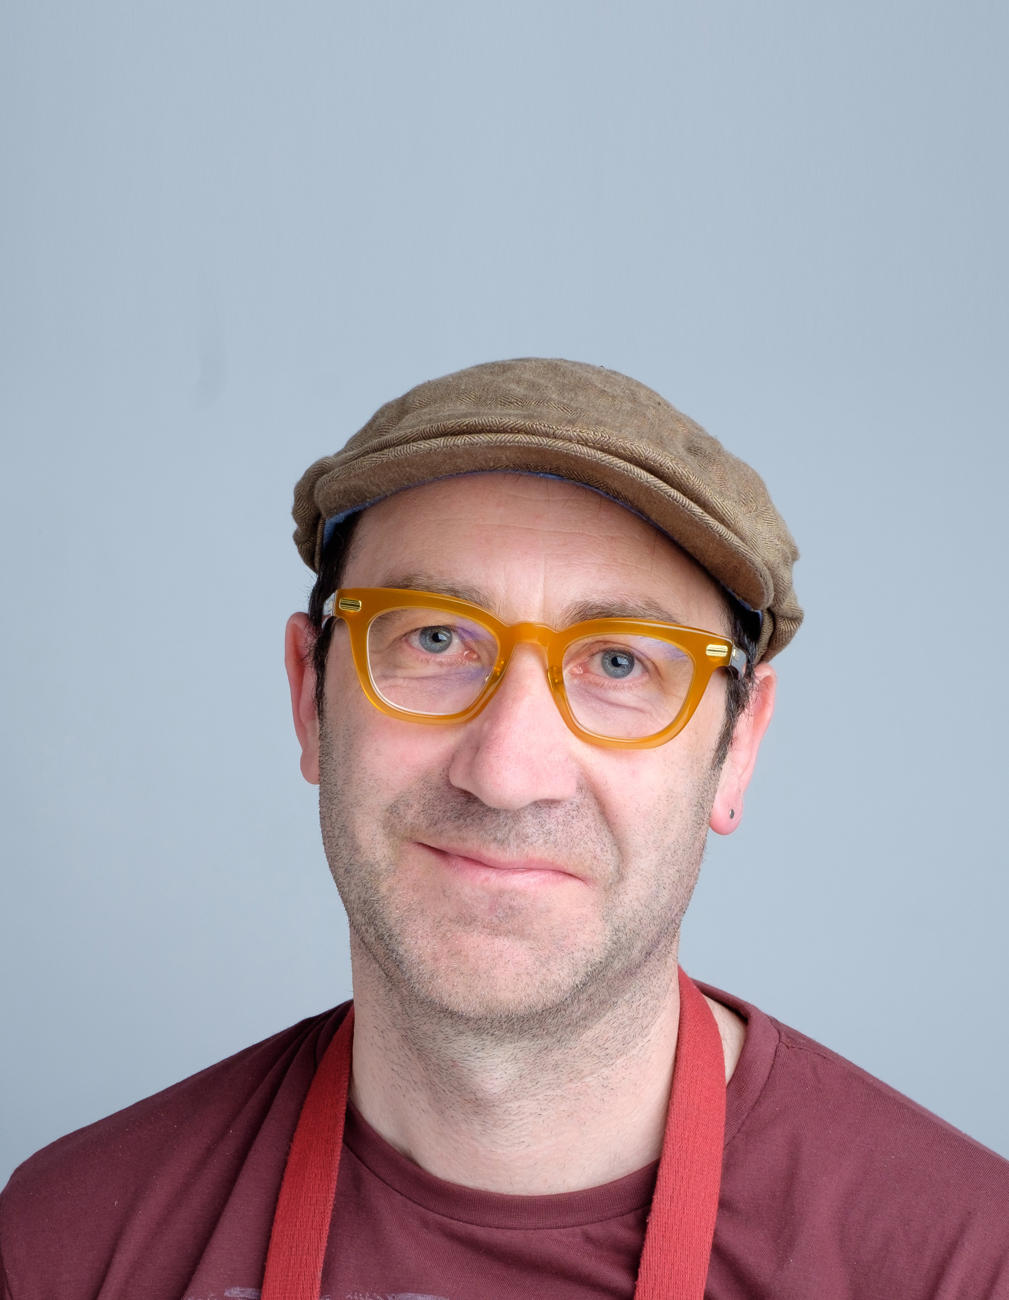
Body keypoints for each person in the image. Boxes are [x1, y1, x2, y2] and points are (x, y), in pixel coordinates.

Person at [2, 358, 1007, 1300]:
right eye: (433, 638)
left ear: (736, 746)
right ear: (310, 695)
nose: (506, 772)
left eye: (619, 662)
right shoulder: (64, 1247)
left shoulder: (960, 1264)